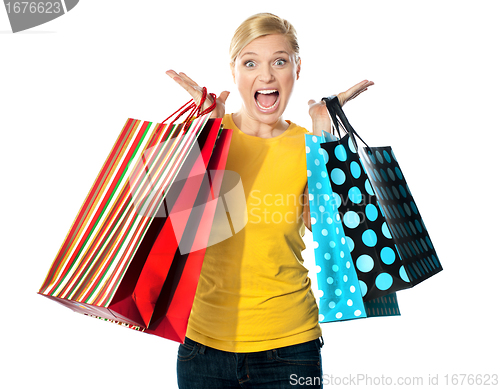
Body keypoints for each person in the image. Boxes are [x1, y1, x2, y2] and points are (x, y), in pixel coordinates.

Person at [166, 13, 373, 389]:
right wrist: (207, 136)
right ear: (234, 71)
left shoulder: (309, 146)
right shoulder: (210, 136)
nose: (266, 76)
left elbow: (338, 238)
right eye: (250, 63)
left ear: (297, 68)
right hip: (202, 348)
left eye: (279, 61)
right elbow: (184, 232)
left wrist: (325, 138)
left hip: (291, 348)